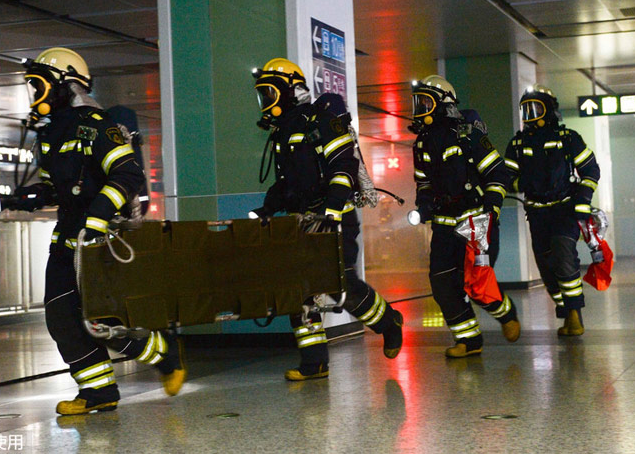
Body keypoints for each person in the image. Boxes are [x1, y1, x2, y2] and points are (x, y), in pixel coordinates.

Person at [1, 47, 185, 414]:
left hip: (98, 241)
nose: (34, 95)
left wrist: (98, 217)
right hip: (66, 240)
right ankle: (98, 391)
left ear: (66, 85)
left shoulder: (98, 126)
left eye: (38, 86)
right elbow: (61, 189)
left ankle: (163, 352)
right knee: (61, 318)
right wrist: (32, 197)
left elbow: (127, 175)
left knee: (100, 323)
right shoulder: (50, 136)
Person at [251, 57, 404, 381]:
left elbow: (343, 166)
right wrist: (267, 208)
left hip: (335, 220)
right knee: (298, 291)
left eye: (269, 92)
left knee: (339, 286)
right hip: (301, 223)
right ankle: (314, 363)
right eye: (262, 94)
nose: (265, 101)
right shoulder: (284, 131)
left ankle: (388, 322)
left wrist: (332, 210)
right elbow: (286, 183)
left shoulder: (322, 119)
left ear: (289, 90)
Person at [409, 75, 520, 358]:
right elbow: (423, 184)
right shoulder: (421, 145)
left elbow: (498, 173)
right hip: (444, 228)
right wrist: (423, 207)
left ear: (443, 104)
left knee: (475, 284)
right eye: (416, 103)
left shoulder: (467, 134)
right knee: (443, 285)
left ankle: (506, 313)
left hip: (477, 224)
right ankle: (469, 341)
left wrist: (492, 208)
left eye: (425, 102)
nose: (419, 109)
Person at [504, 85, 601, 336]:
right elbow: (506, 178)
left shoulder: (568, 139)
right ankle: (565, 309)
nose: (530, 114)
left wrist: (583, 200)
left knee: (563, 257)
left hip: (564, 210)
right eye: (526, 110)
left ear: (549, 110)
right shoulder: (517, 143)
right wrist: (522, 184)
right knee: (546, 267)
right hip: (536, 213)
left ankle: (574, 313)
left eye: (536, 108)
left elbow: (590, 171)